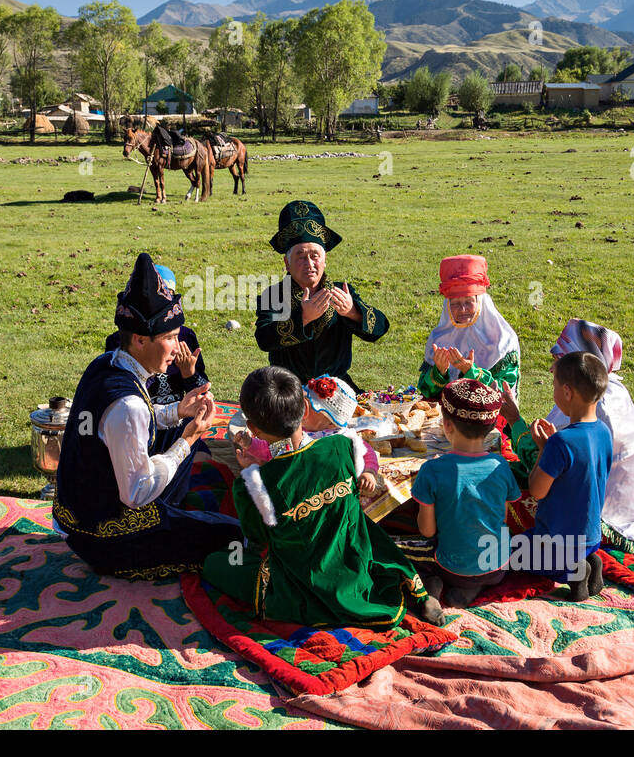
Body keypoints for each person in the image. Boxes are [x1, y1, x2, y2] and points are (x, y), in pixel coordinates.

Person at [202, 366, 440, 627]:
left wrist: (248, 471)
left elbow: (258, 538)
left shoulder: (256, 482)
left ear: (252, 429)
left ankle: (308, 604)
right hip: (353, 561)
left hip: (304, 581)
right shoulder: (342, 445)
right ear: (305, 408)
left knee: (215, 563)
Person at [55, 252, 241, 580]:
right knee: (234, 538)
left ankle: (175, 513)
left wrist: (177, 412)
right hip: (107, 539)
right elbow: (137, 493)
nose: (176, 346)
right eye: (169, 338)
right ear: (140, 339)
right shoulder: (129, 406)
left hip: (79, 517)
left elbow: (118, 426)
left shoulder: (108, 363)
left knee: (178, 438)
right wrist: (189, 438)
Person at [498, 319, 634, 546]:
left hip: (599, 520)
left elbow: (544, 473)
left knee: (497, 491)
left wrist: (515, 420)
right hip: (630, 510)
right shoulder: (608, 392)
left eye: (559, 360)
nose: (552, 368)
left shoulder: (594, 412)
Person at [254, 200, 389, 389]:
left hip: (337, 388)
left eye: (315, 256)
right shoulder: (274, 295)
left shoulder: (340, 291)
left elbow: (381, 328)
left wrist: (352, 311)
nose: (309, 264)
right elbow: (264, 339)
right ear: (286, 262)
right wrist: (303, 318)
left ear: (324, 260)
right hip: (288, 389)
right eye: (300, 256)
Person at [412, 379, 520, 607]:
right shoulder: (500, 465)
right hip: (498, 566)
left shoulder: (432, 469)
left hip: (453, 568)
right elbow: (503, 518)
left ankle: (434, 587)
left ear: (447, 425)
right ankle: (472, 589)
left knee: (411, 552)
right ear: (491, 427)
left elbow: (427, 530)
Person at [516, 351, 613, 601]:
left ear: (567, 392)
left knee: (511, 551)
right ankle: (589, 558)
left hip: (557, 542)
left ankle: (573, 573)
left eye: (555, 385)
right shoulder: (603, 431)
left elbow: (537, 489)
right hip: (591, 536)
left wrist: (543, 451)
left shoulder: (561, 442)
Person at [234, 374, 382, 497]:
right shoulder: (299, 433)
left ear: (331, 423)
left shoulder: (346, 438)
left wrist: (369, 472)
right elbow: (271, 448)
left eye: (307, 407)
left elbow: (368, 454)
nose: (299, 408)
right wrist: (250, 444)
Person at [104, 264, 208, 410]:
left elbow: (204, 396)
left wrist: (189, 373)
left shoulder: (186, 337)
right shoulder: (119, 342)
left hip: (182, 414)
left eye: (167, 296)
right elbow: (117, 395)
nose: (176, 348)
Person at [417, 255, 520, 400]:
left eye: (469, 301)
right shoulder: (438, 338)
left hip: (487, 420)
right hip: (446, 419)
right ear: (447, 305)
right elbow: (426, 394)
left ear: (481, 302)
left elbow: (503, 398)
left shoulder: (502, 340)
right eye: (455, 303)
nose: (463, 309)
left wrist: (470, 371)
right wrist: (439, 372)